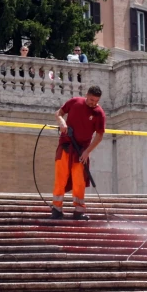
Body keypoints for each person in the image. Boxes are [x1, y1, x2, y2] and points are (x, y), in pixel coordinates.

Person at [51, 86, 106, 220]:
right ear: (86, 95)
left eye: (96, 101)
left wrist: (87, 152)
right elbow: (59, 113)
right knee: (61, 178)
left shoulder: (99, 113)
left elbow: (99, 136)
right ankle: (57, 209)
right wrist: (62, 123)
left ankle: (79, 210)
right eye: (91, 99)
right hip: (65, 146)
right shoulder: (75, 102)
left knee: (79, 181)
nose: (93, 103)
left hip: (81, 151)